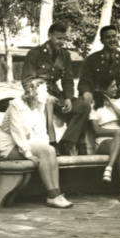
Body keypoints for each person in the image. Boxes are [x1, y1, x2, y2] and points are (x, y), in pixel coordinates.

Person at [0, 74, 73, 209]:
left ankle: (57, 193)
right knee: (45, 151)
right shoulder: (16, 104)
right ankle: (51, 195)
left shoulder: (39, 105)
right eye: (45, 91)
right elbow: (17, 133)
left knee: (50, 150)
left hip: (23, 143)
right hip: (8, 146)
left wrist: (44, 147)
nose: (47, 95)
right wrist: (29, 155)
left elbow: (41, 131)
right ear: (34, 92)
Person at [69, 26, 120, 152]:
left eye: (114, 36)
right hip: (98, 95)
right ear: (102, 40)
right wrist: (87, 92)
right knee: (84, 103)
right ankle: (82, 142)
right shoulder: (92, 59)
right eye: (108, 37)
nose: (112, 40)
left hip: (117, 94)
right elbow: (84, 81)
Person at [24, 21, 78, 153]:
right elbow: (27, 80)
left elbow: (67, 79)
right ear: (50, 35)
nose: (61, 42)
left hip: (57, 94)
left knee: (83, 107)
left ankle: (67, 142)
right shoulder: (35, 53)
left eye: (64, 39)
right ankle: (52, 142)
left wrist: (68, 98)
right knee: (47, 101)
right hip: (37, 94)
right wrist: (42, 94)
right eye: (58, 38)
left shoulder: (65, 55)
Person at [89, 73, 120, 203]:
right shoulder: (94, 105)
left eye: (116, 85)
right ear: (104, 89)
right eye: (112, 86)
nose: (116, 88)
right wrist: (117, 133)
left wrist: (112, 105)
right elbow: (96, 131)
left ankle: (108, 168)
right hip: (103, 141)